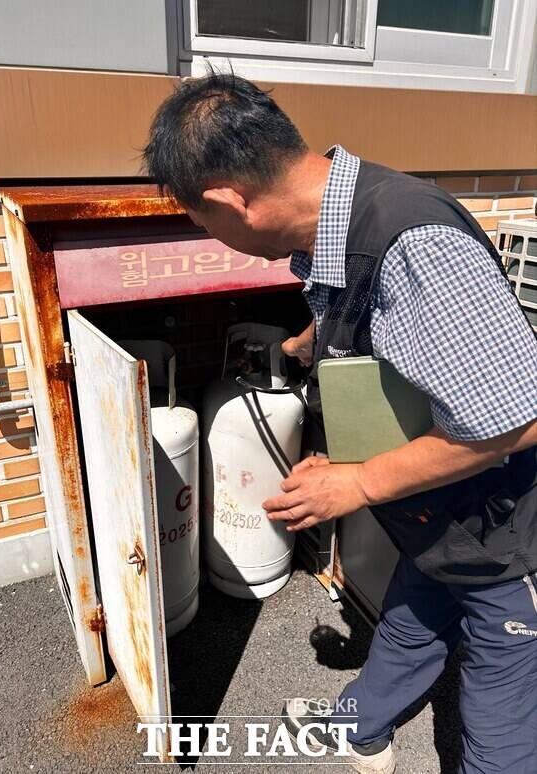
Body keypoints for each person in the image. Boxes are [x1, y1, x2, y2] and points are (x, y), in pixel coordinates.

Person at [144, 71, 537, 774]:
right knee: (413, 623)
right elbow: (381, 317)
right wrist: (301, 346)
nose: (213, 237)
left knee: (500, 725)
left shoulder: (413, 241)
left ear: (229, 200)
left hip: (508, 531)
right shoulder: (343, 214)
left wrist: (359, 482)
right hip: (437, 513)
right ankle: (360, 727)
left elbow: (516, 420)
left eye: (203, 224)